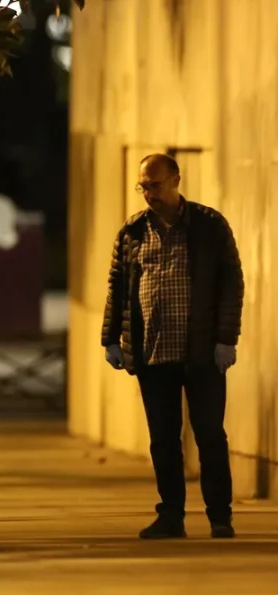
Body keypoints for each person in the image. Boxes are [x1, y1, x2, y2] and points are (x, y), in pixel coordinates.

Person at [102, 153, 244, 540]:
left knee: (210, 434)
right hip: (153, 352)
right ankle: (171, 516)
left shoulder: (209, 226)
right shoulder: (133, 232)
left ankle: (219, 515)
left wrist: (225, 339)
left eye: (156, 185)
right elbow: (117, 287)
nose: (149, 193)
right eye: (144, 186)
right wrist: (112, 339)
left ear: (176, 180)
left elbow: (232, 283)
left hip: (201, 352)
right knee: (163, 439)